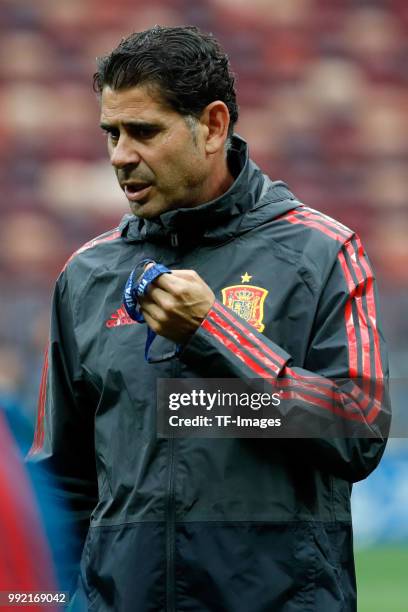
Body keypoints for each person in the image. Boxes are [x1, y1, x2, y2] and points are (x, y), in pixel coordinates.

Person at [29, 25, 390, 611]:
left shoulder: (322, 251)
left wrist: (213, 333)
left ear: (214, 127)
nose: (121, 156)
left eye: (143, 131)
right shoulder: (86, 275)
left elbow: (361, 431)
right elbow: (61, 484)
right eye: (112, 133)